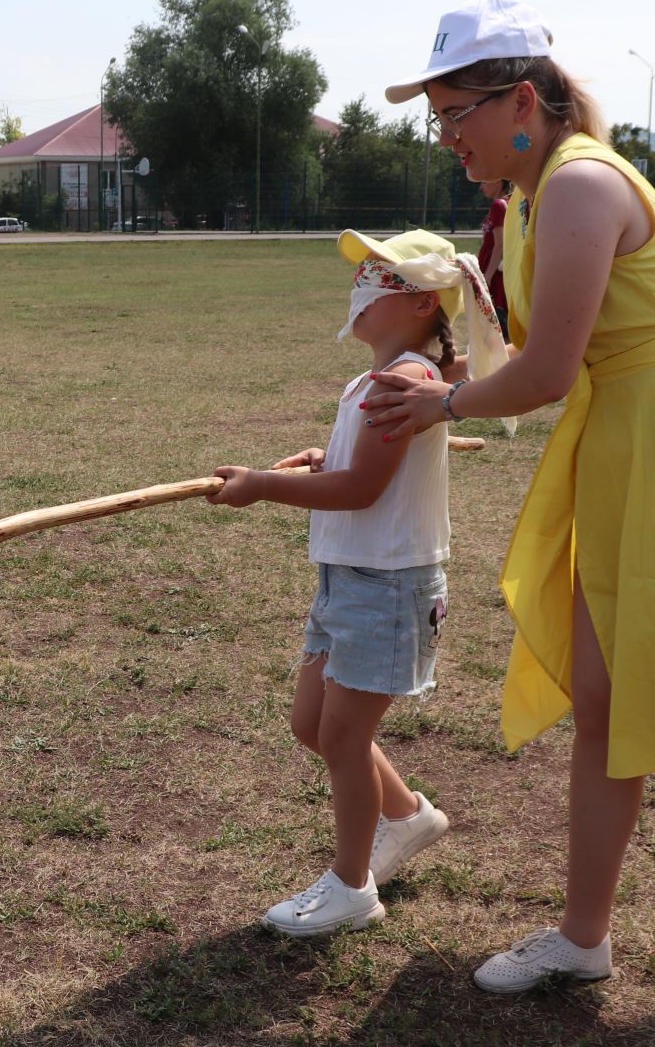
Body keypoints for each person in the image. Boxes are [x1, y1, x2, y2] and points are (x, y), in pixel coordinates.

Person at [363, 0, 655, 996]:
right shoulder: (532, 195)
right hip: (631, 438)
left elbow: (548, 374)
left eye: (456, 116)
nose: (448, 139)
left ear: (521, 98)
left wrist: (443, 400)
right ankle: (583, 933)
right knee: (610, 703)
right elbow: (538, 351)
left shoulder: (575, 183)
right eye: (436, 120)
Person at [209, 228, 508, 937]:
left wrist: (264, 486)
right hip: (347, 576)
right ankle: (406, 816)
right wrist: (324, 454)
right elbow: (364, 464)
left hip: (390, 585)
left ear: (420, 302)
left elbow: (364, 490)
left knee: (343, 737)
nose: (359, 287)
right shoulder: (376, 379)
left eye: (378, 275)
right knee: (312, 726)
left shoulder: (408, 379)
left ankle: (352, 888)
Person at [476, 178, 512, 341]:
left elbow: (500, 245)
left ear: (497, 182)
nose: (481, 186)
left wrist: (487, 277)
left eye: (484, 182)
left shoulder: (499, 205)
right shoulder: (510, 202)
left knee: (497, 328)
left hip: (495, 276)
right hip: (500, 273)